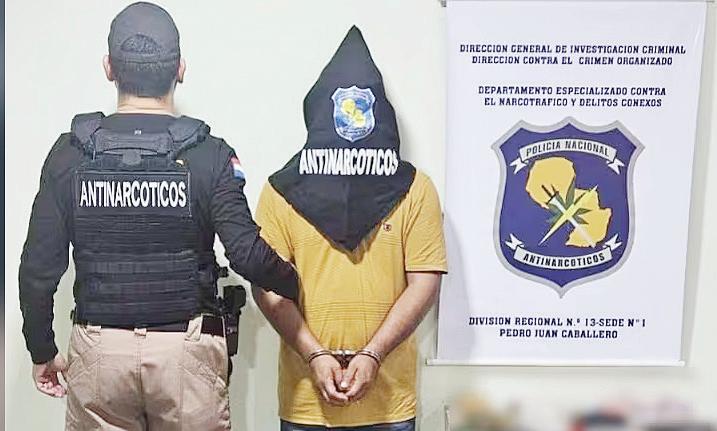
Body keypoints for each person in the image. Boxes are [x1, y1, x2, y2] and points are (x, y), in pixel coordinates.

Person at [18, 3, 298, 430]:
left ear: (109, 68)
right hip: (186, 350)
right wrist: (297, 284)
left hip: (99, 352)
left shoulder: (69, 154)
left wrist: (41, 348)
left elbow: (38, 268)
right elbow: (246, 253)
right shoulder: (210, 155)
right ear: (180, 69)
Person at [252, 26, 448, 431]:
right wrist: (315, 354)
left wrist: (373, 353)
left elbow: (425, 281)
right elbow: (267, 284)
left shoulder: (415, 189)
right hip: (306, 403)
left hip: (389, 404)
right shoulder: (280, 192)